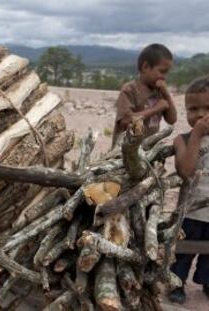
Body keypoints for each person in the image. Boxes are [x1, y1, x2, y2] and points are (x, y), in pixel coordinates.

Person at [168, 75, 209, 304]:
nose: (201, 115)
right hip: (190, 210)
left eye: (208, 108)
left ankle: (206, 281)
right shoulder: (182, 139)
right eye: (193, 109)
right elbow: (185, 170)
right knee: (182, 251)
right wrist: (197, 135)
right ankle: (176, 283)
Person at [112, 43, 177, 148]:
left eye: (167, 73)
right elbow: (125, 121)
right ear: (145, 67)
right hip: (125, 150)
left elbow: (172, 119)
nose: (164, 77)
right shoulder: (130, 89)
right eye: (162, 72)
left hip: (148, 149)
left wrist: (166, 95)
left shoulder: (159, 91)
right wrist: (155, 109)